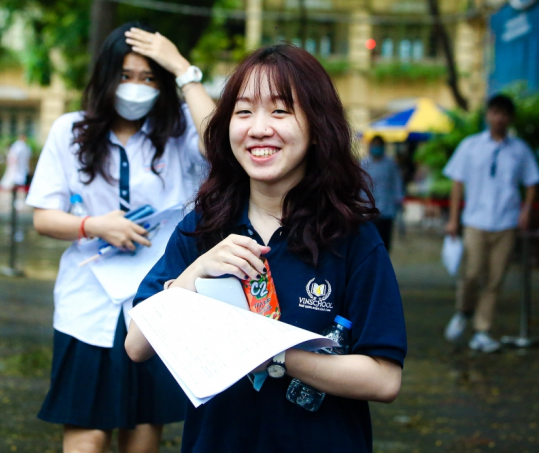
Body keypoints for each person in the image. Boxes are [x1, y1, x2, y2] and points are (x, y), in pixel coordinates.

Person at [126, 45, 407, 453]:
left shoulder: (353, 237)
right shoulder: (204, 227)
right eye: (243, 112)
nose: (259, 128)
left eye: (280, 111)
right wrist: (193, 275)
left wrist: (272, 355)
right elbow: (136, 345)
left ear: (317, 127)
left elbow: (384, 379)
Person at [25, 22, 215, 453]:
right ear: (107, 77)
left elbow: (220, 143)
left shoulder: (180, 130)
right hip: (86, 299)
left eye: (149, 78)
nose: (136, 88)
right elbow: (42, 217)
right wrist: (93, 225)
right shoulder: (70, 131)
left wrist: (182, 68)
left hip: (160, 295)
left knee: (144, 425)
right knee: (86, 430)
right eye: (126, 76)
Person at [443, 94, 538, 352]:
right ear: (488, 115)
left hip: (506, 222)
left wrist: (526, 209)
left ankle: (482, 330)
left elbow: (531, 181)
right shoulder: (470, 146)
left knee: (495, 279)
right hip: (475, 220)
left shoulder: (520, 150)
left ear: (510, 118)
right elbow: (456, 182)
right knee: (471, 273)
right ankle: (463, 311)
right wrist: (453, 220)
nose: (499, 118)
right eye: (495, 112)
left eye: (504, 114)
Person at [361, 135, 404, 252]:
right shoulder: (364, 163)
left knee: (384, 240)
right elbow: (361, 185)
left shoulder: (390, 164)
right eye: (374, 145)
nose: (376, 148)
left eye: (378, 145)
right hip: (369, 209)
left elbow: (397, 183)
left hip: (386, 208)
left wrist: (399, 200)